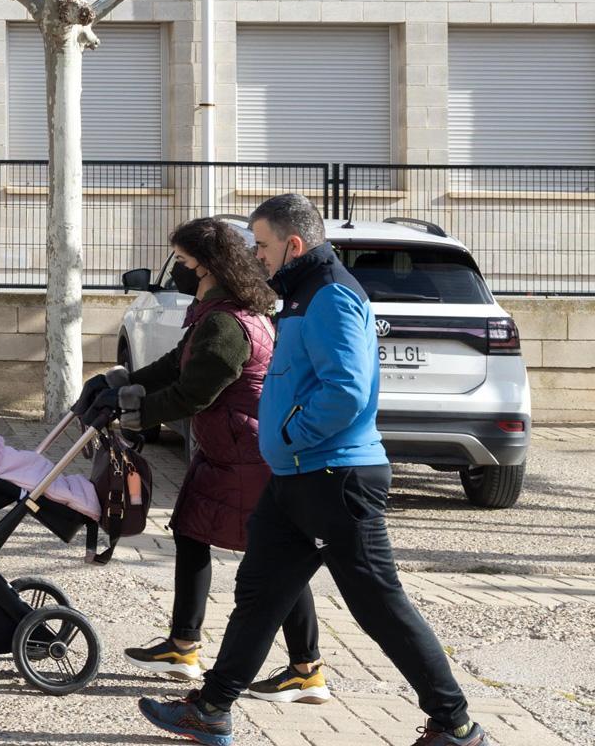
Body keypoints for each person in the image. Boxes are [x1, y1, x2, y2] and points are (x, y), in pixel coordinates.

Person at [138, 194, 487, 746]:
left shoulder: (329, 297)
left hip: (334, 477)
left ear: (294, 245)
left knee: (378, 604)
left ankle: (455, 723)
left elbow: (345, 391)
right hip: (298, 477)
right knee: (259, 593)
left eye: (263, 244)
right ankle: (210, 709)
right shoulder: (301, 296)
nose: (256, 256)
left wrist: (289, 436)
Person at [87, 218, 326, 703]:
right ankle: (183, 645)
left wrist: (136, 412)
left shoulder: (226, 322)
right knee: (192, 533)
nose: (178, 270)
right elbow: (178, 362)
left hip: (247, 455)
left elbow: (194, 392)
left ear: (209, 266)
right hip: (225, 451)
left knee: (276, 561)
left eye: (184, 262)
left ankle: (306, 669)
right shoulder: (215, 311)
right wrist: (121, 382)